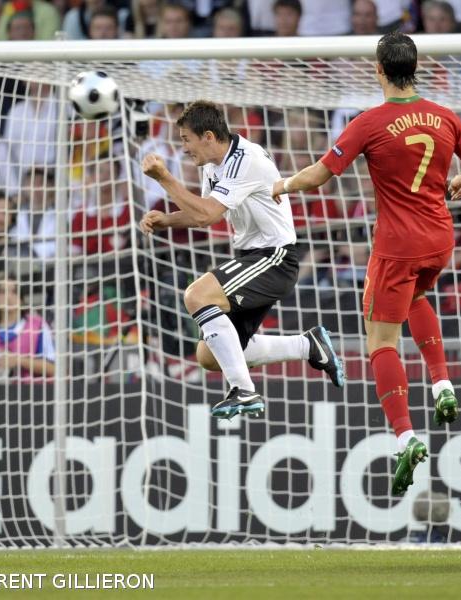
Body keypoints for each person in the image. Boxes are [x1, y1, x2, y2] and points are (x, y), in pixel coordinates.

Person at [271, 32, 461, 496]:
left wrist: (280, 186)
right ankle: (442, 384)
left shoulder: (369, 123)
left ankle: (406, 437)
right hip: (440, 238)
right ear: (416, 67)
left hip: (397, 244)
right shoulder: (445, 116)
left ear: (378, 70)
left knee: (380, 342)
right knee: (419, 296)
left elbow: (321, 174)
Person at [139, 100, 344, 419]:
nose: (183, 149)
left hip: (275, 257)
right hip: (252, 256)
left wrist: (165, 178)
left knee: (197, 295)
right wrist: (167, 220)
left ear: (207, 136)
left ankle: (243, 390)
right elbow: (204, 213)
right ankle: (308, 346)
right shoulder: (212, 164)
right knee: (208, 355)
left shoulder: (245, 159)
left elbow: (207, 214)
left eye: (186, 140)